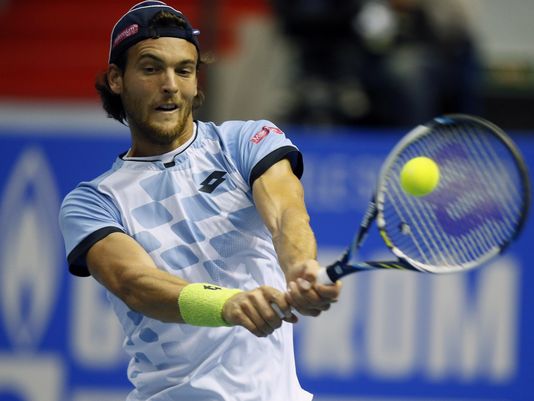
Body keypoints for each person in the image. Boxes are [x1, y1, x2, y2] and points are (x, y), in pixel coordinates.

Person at [58, 1, 341, 400]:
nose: (170, 84)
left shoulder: (246, 142)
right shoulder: (92, 202)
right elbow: (135, 283)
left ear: (195, 82)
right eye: (151, 68)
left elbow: (286, 216)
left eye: (184, 70)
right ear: (117, 79)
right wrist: (228, 305)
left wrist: (300, 268)